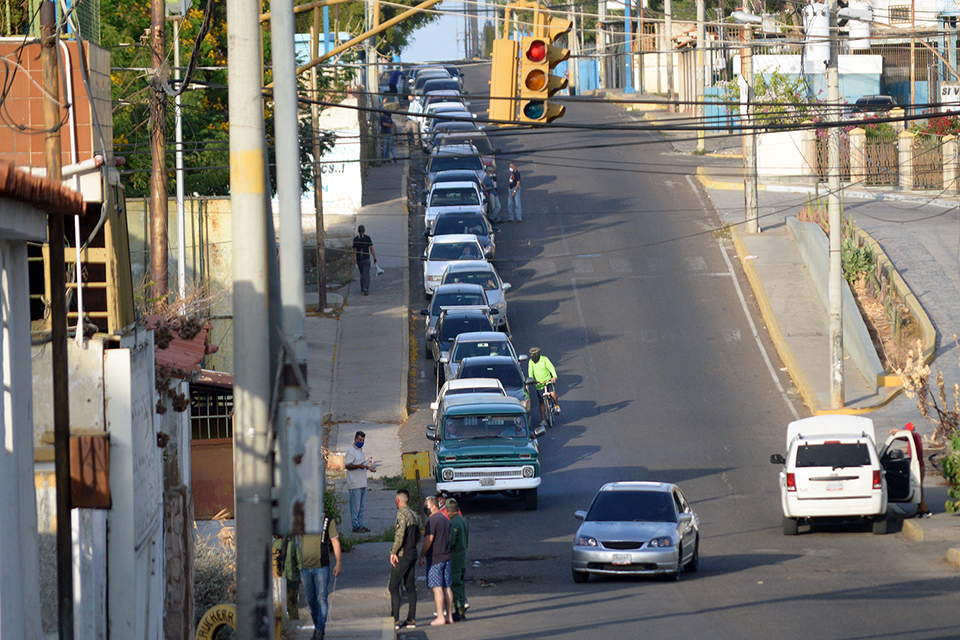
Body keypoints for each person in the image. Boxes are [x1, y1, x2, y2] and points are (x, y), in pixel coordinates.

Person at [300, 514, 343, 640]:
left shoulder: (327, 520)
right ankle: (318, 626)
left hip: (321, 567)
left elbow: (335, 541)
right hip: (305, 568)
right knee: (310, 601)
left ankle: (320, 630)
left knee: (322, 599)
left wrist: (338, 562)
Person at [418, 496, 454, 626]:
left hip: (435, 558)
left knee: (437, 588)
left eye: (426, 506)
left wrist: (422, 555)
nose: (425, 509)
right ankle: (449, 616)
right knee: (447, 587)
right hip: (447, 557)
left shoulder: (432, 521)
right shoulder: (445, 519)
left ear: (433, 506)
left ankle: (440, 617)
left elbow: (429, 539)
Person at [389, 489, 421, 630]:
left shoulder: (401, 515)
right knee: (410, 586)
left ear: (398, 501)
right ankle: (411, 619)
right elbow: (419, 535)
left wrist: (394, 551)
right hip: (413, 552)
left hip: (403, 554)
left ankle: (395, 620)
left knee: (393, 586)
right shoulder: (415, 515)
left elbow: (399, 535)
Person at [890, 422, 932, 517]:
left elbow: (910, 434)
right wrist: (896, 435)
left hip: (918, 466)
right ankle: (920, 509)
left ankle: (925, 510)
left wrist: (896, 430)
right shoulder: (913, 438)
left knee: (918, 487)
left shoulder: (914, 435)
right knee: (918, 487)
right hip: (919, 465)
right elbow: (905, 437)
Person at [344, 430, 377, 532]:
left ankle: (360, 525)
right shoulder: (351, 451)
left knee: (361, 507)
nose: (361, 442)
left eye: (363, 440)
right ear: (354, 440)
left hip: (362, 482)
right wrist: (359, 466)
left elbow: (361, 464)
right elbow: (348, 465)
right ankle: (355, 526)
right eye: (359, 440)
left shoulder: (361, 451)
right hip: (354, 484)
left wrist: (368, 468)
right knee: (355, 507)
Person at [445, 499, 469, 621]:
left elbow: (451, 542)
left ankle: (459, 610)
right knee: (461, 582)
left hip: (455, 558)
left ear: (448, 510)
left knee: (456, 584)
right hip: (463, 555)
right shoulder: (463, 520)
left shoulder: (453, 523)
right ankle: (461, 609)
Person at [528, 347, 559, 428]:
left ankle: (556, 405)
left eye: (532, 354)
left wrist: (554, 376)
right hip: (539, 384)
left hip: (548, 381)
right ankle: (543, 419)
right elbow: (530, 373)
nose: (531, 356)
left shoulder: (544, 359)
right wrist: (532, 381)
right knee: (541, 403)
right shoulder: (531, 362)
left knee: (552, 393)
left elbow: (551, 368)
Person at [272, 534, 302, 620]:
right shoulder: (293, 545)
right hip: (292, 579)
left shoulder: (272, 545)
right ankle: (294, 625)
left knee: (278, 608)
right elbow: (300, 564)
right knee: (292, 607)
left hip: (277, 582)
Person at [352, 225, 377, 296]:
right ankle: (366, 288)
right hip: (366, 259)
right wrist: (374, 257)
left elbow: (355, 251)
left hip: (359, 260)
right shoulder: (367, 238)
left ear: (358, 231)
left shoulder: (356, 239)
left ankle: (362, 288)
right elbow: (371, 249)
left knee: (362, 274)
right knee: (366, 273)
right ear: (364, 231)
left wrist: (353, 260)